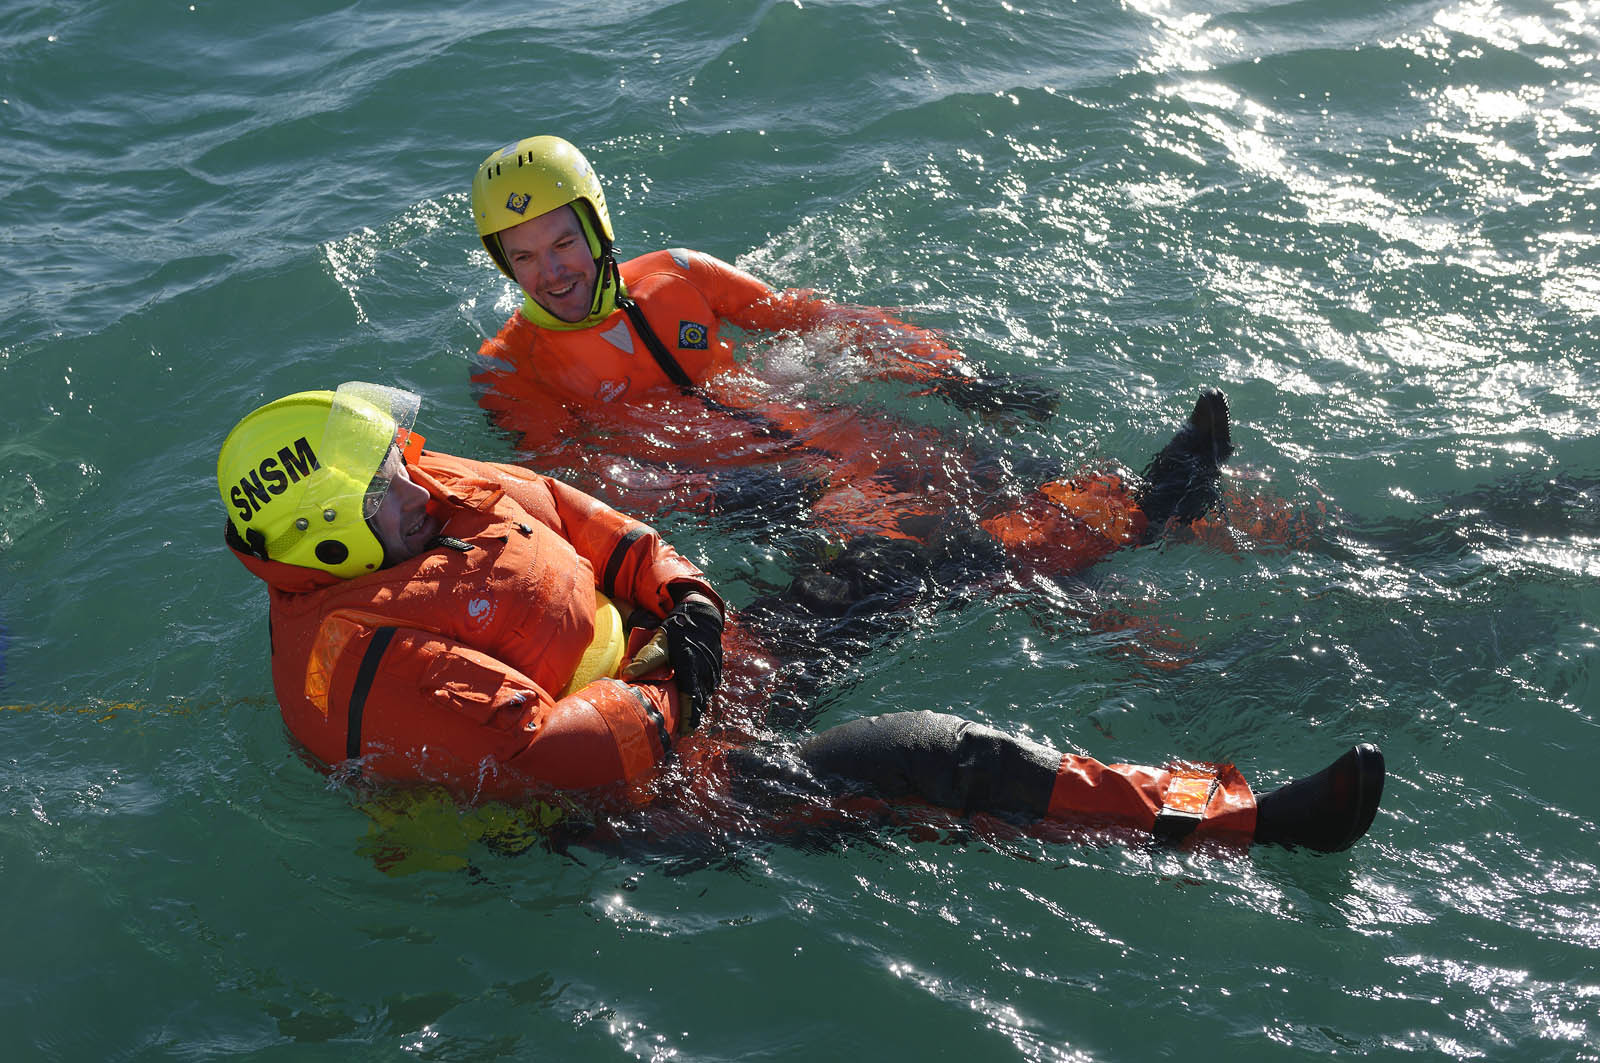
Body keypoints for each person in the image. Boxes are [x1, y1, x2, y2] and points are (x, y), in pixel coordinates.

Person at [218, 382, 1385, 852]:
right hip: (635, 803)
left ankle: (1145, 505)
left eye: (402, 464)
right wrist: (680, 683)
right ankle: (1246, 821)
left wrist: (682, 592)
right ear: (330, 537)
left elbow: (568, 511)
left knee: (900, 559)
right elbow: (553, 757)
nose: (418, 484)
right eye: (388, 488)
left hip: (669, 670)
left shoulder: (411, 491)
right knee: (929, 757)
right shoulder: (364, 663)